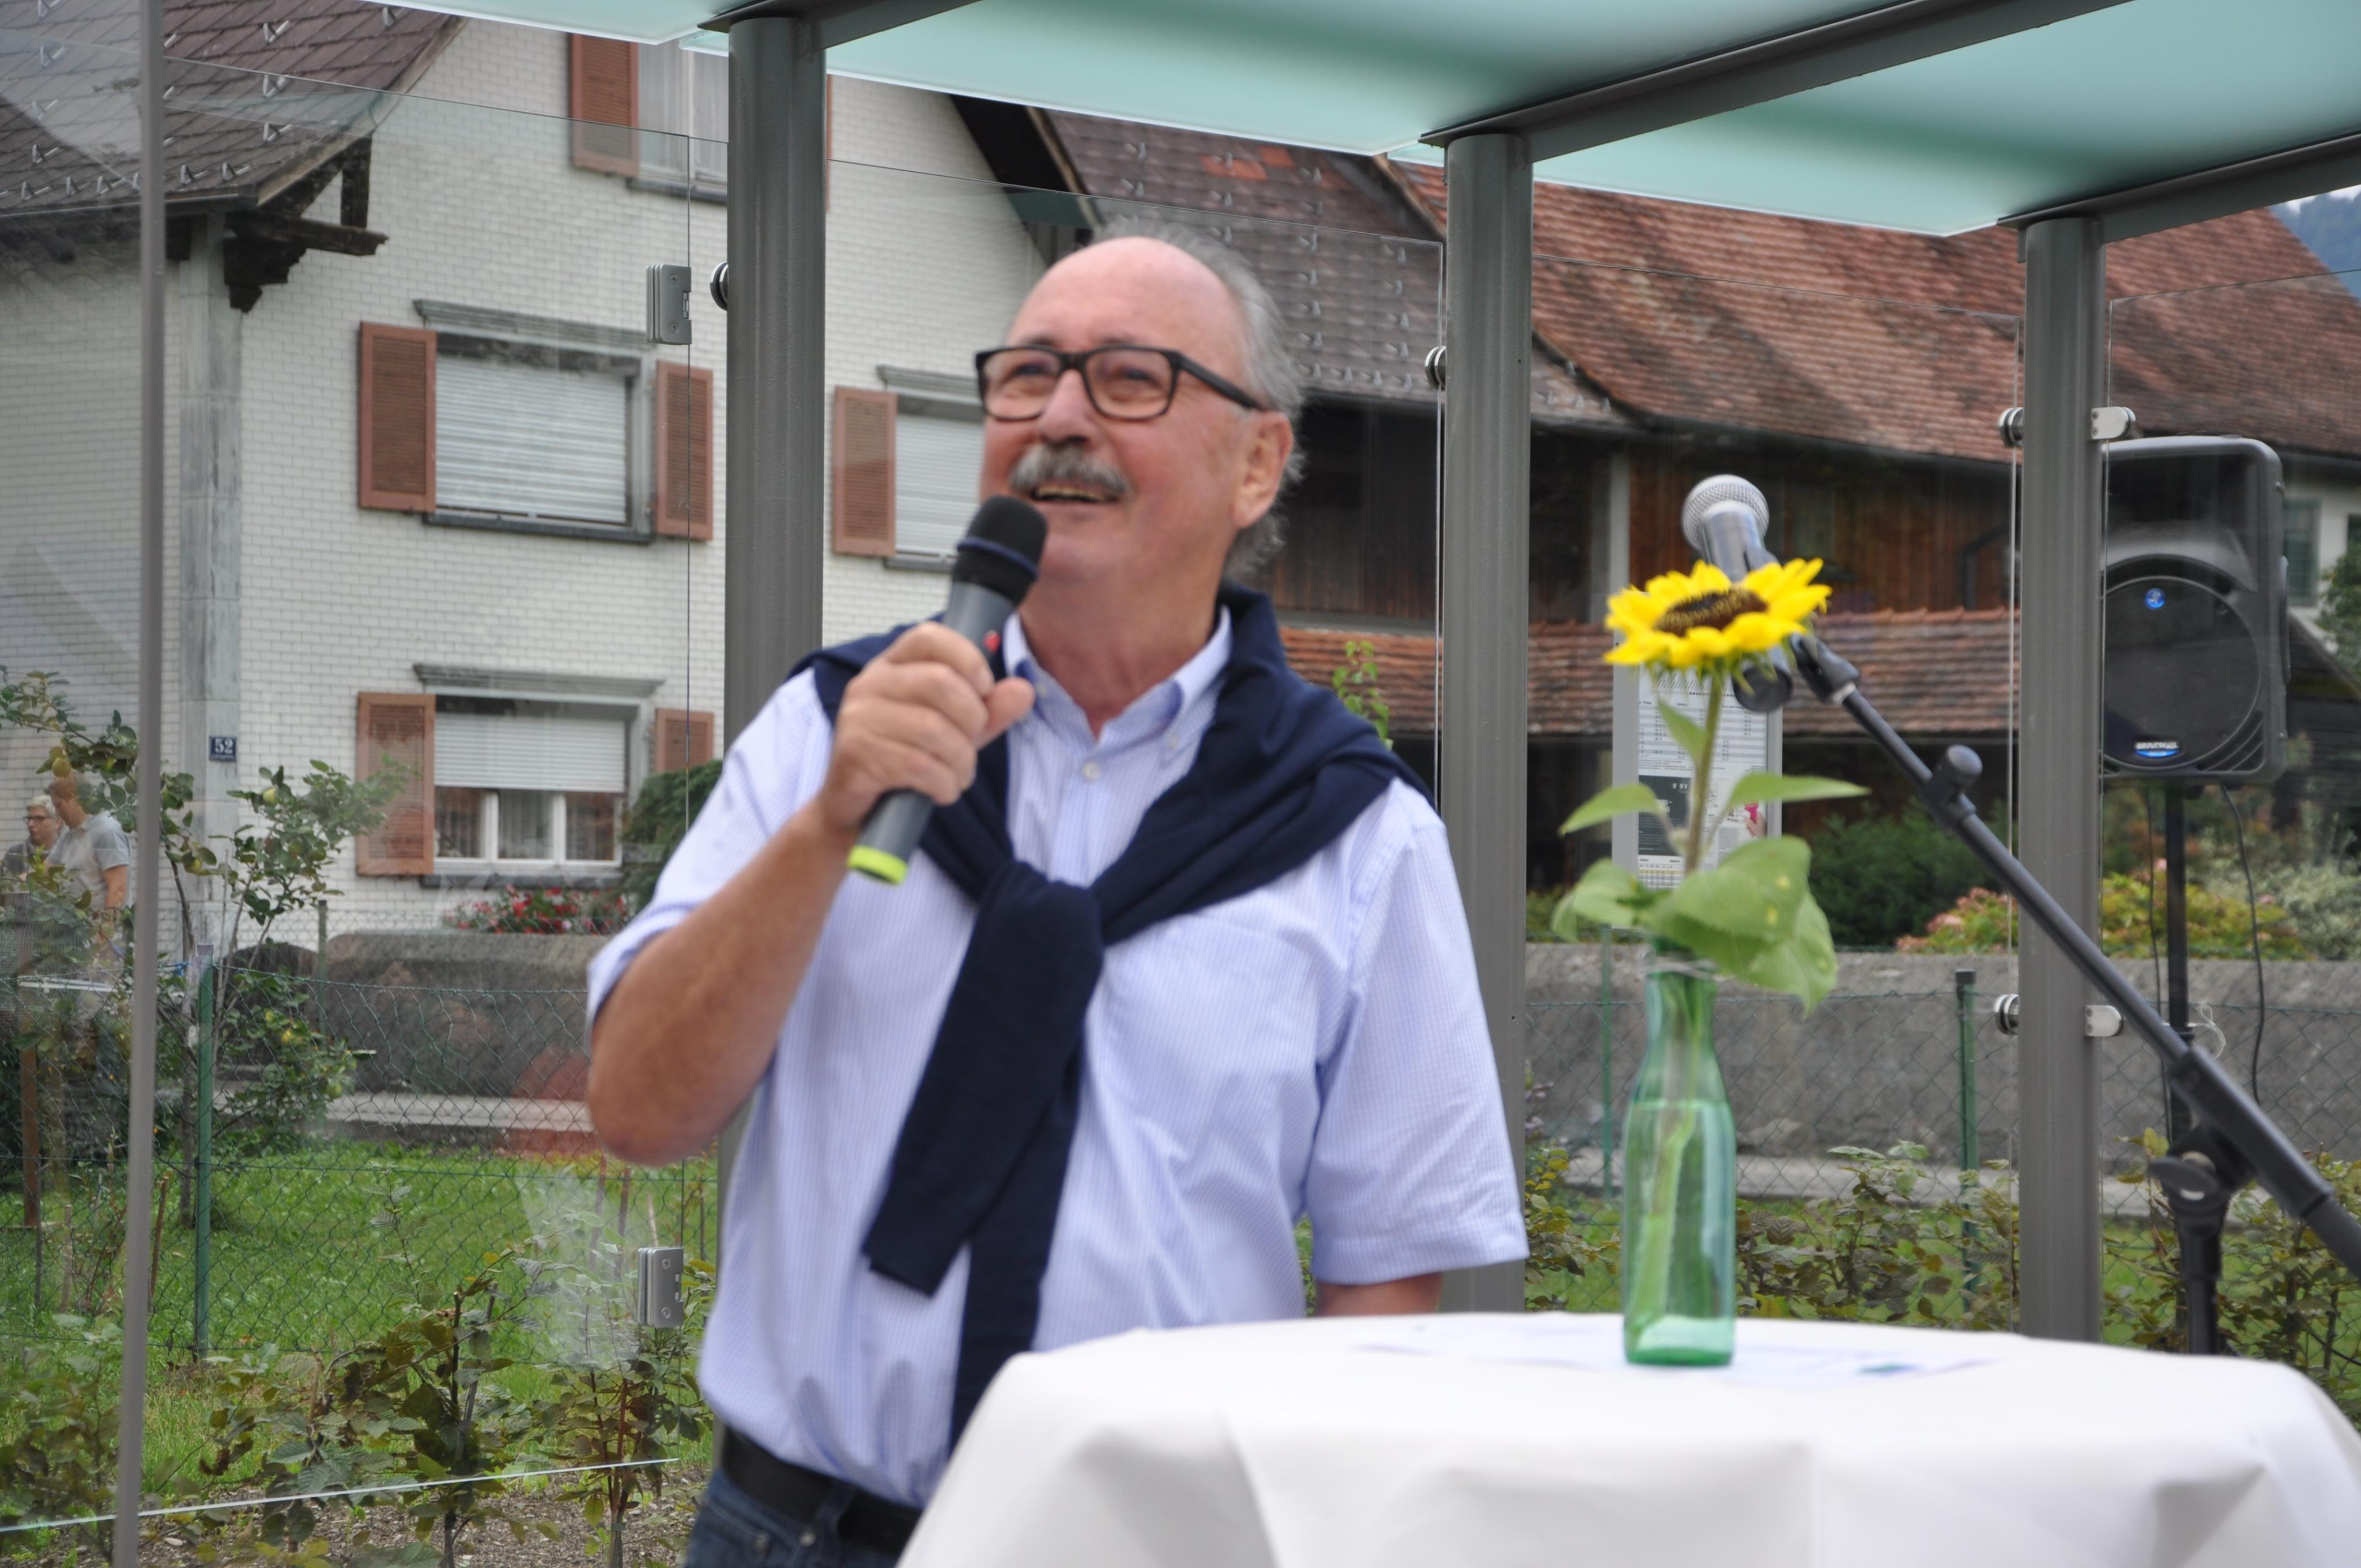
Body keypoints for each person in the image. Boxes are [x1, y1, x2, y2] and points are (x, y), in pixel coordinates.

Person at [587, 220, 1523, 1567]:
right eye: (1026, 375)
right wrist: (829, 823)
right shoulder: (827, 734)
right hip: (798, 1532)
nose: (1060, 419)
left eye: (1130, 378)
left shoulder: (1353, 829)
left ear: (1256, 463)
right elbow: (637, 1109)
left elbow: (1387, 1268)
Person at [47, 772, 129, 913]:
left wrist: (105, 927)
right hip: (73, 924)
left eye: (59, 806)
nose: (57, 813)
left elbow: (118, 889)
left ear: (74, 799)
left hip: (98, 925)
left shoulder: (107, 831)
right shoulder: (69, 835)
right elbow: (45, 871)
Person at [2, 794, 58, 881]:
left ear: (57, 822)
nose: (31, 824)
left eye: (39, 818)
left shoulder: (66, 853)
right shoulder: (14, 855)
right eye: (29, 819)